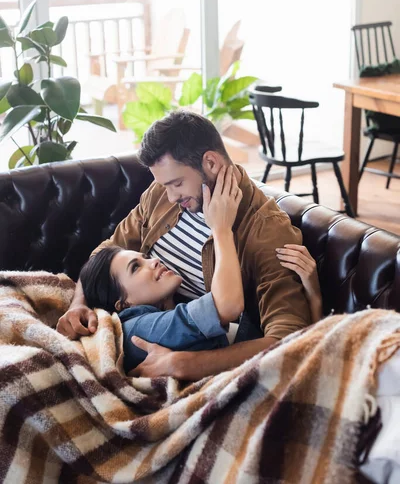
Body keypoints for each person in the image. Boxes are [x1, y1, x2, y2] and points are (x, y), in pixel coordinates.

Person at [57, 111, 312, 379]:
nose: (170, 195)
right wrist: (78, 303)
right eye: (165, 185)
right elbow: (107, 251)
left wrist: (187, 363)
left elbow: (288, 338)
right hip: (144, 330)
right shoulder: (162, 194)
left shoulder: (266, 229)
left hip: (203, 351)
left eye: (177, 183)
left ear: (211, 163)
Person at [79, 166, 245, 373]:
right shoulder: (139, 328)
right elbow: (226, 305)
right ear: (123, 304)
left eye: (146, 257)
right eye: (136, 268)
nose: (154, 261)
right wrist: (221, 230)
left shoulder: (160, 316)